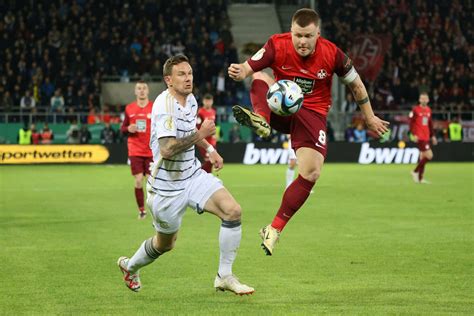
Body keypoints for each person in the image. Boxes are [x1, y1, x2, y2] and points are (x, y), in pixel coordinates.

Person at [228, 8, 389, 256]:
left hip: (312, 114)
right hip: (280, 108)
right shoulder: (276, 44)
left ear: (318, 34)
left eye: (308, 36)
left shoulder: (333, 54)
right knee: (261, 74)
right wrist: (240, 70)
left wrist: (369, 116)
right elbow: (250, 67)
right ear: (291, 32)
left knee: (312, 172)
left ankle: (274, 228)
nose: (302, 41)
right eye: (298, 35)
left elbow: (356, 84)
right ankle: (260, 119)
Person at [117, 54, 254, 295]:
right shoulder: (163, 107)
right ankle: (130, 266)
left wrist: (210, 150)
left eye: (190, 73)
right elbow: (168, 149)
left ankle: (225, 275)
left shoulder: (190, 99)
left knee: (233, 211)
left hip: (191, 175)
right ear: (168, 80)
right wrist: (202, 135)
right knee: (164, 244)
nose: (188, 78)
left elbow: (190, 130)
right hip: (166, 188)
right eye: (181, 74)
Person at [120, 81, 154, 219]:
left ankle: (155, 210)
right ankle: (141, 210)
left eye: (144, 88)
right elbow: (122, 128)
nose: (141, 91)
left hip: (151, 150)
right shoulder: (129, 108)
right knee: (139, 180)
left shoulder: (154, 107)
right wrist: (128, 128)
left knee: (152, 183)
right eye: (139, 88)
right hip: (135, 150)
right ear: (135, 91)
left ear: (148, 91)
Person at [409, 92, 437, 184]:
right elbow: (411, 123)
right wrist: (414, 134)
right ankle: (415, 171)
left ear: (428, 100)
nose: (424, 100)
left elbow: (430, 124)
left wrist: (432, 136)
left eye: (425, 98)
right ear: (419, 100)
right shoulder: (416, 110)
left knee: (423, 157)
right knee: (429, 156)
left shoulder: (429, 110)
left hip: (426, 136)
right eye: (422, 98)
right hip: (419, 137)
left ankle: (420, 179)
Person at [196, 93, 217, 173]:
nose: (208, 102)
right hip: (203, 140)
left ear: (212, 101)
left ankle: (207, 176)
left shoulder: (213, 112)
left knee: (213, 160)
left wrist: (215, 134)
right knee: (208, 160)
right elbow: (197, 127)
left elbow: (215, 124)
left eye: (209, 101)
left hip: (212, 141)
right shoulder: (200, 112)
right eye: (206, 101)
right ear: (203, 101)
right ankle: (201, 175)